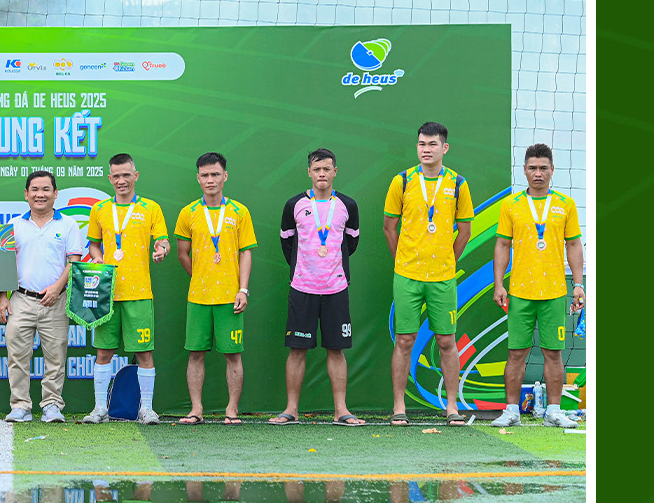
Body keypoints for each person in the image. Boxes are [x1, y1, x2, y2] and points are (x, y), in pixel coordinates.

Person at [383, 121, 474, 426]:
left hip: (443, 278)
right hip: (407, 275)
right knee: (404, 340)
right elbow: (389, 227)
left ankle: (452, 407)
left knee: (447, 341)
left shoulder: (458, 183)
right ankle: (399, 407)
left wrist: (448, 261)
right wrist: (402, 262)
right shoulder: (402, 181)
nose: (426, 149)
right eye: (422, 144)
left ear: (444, 148)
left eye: (432, 144)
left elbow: (464, 231)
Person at [492, 144, 585, 428]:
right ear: (524, 170)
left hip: (554, 292)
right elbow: (502, 245)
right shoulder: (511, 205)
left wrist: (578, 285)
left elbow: (574, 245)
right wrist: (499, 284)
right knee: (516, 353)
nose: (538, 173)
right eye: (532, 168)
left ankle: (554, 412)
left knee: (553, 353)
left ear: (552, 170)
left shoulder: (566, 204)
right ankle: (511, 411)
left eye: (543, 168)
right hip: (520, 292)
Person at [269, 148, 364, 427]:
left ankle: (341, 411)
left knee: (336, 350)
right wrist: (305, 267)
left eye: (327, 169)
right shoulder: (294, 205)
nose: (322, 174)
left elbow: (351, 243)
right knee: (297, 350)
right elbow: (287, 243)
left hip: (336, 288)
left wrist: (331, 266)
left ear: (335, 172)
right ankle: (291, 410)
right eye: (317, 169)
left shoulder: (348, 205)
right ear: (309, 172)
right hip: (302, 287)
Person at [83, 152, 169, 424]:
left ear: (136, 176)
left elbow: (163, 241)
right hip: (106, 294)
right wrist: (97, 258)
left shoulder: (151, 208)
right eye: (116, 176)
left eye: (126, 175)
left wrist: (161, 250)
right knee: (103, 352)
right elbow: (93, 244)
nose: (122, 180)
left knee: (144, 352)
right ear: (110, 178)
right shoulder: (99, 210)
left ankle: (146, 409)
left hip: (139, 292)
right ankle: (100, 408)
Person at [174, 152, 257, 424]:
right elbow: (182, 253)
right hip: (198, 297)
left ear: (225, 176)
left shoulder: (240, 212)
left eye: (215, 174)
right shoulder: (188, 213)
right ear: (198, 178)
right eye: (205, 175)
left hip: (230, 297)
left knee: (233, 354)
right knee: (195, 353)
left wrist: (243, 290)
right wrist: (200, 276)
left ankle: (232, 409)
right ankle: (196, 409)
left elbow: (246, 252)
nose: (210, 180)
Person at [0, 169, 85, 423]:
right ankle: (20, 406)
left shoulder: (68, 224)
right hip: (20, 299)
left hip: (55, 300)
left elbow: (74, 262)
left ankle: (52, 405)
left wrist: (57, 288)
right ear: (26, 194)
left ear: (56, 194)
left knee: (56, 357)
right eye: (34, 189)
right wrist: (2, 297)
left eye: (46, 189)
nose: (40, 194)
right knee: (17, 357)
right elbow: (3, 263)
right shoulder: (14, 225)